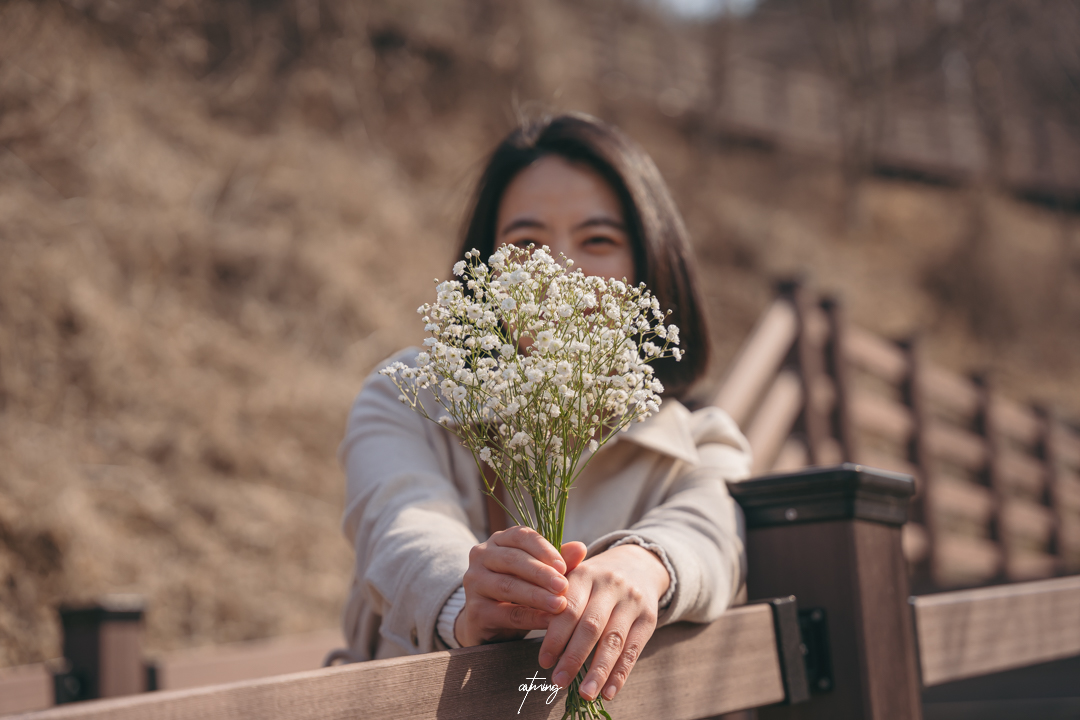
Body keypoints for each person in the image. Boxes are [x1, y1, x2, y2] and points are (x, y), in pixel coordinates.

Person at [337, 113, 751, 704]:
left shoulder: (700, 442)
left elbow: (712, 531)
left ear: (651, 264)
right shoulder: (407, 394)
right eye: (526, 244)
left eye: (599, 240)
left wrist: (644, 565)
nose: (560, 272)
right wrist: (466, 594)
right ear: (484, 270)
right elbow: (399, 522)